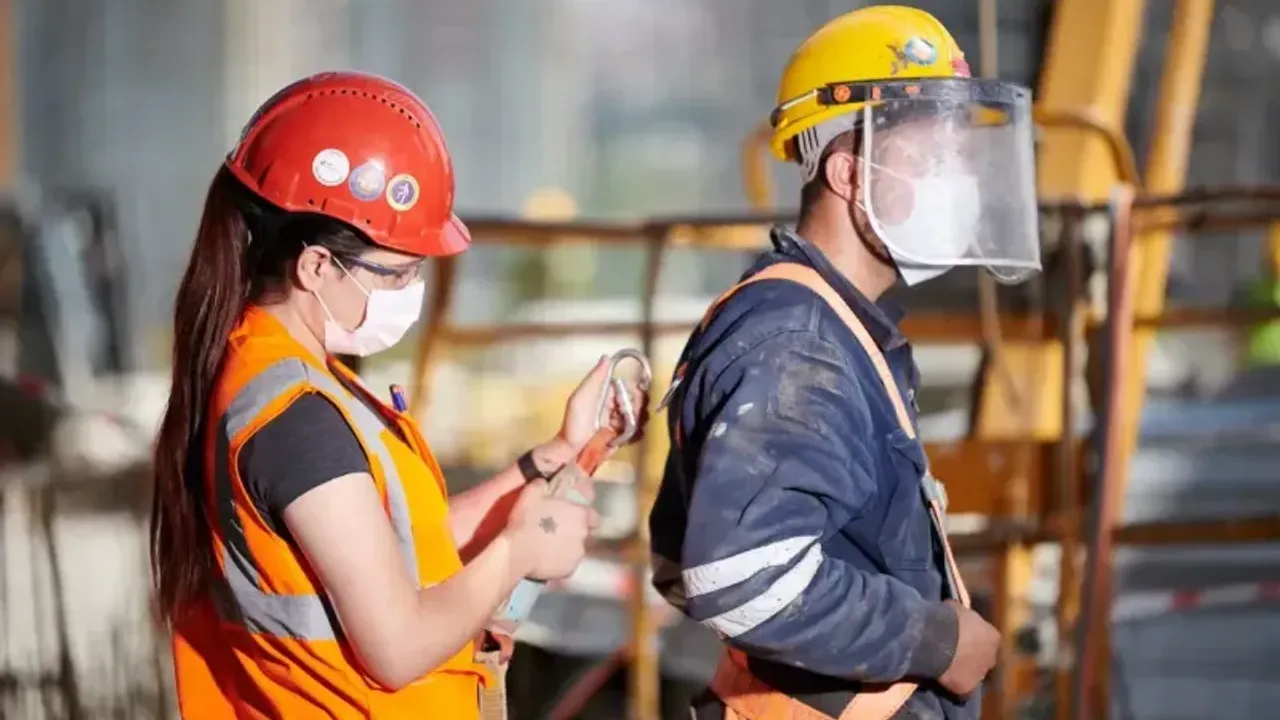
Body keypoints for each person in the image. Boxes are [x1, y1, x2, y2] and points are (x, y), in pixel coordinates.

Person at [149, 71, 647, 719]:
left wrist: (558, 453)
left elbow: (405, 544)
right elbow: (398, 645)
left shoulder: (287, 375)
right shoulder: (294, 422)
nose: (412, 292)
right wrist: (518, 551)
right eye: (398, 273)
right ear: (317, 266)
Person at [648, 6, 1040, 720]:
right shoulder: (799, 342)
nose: (959, 182)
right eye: (932, 157)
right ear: (848, 173)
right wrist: (936, 640)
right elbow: (736, 577)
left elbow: (680, 556)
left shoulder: (830, 325)